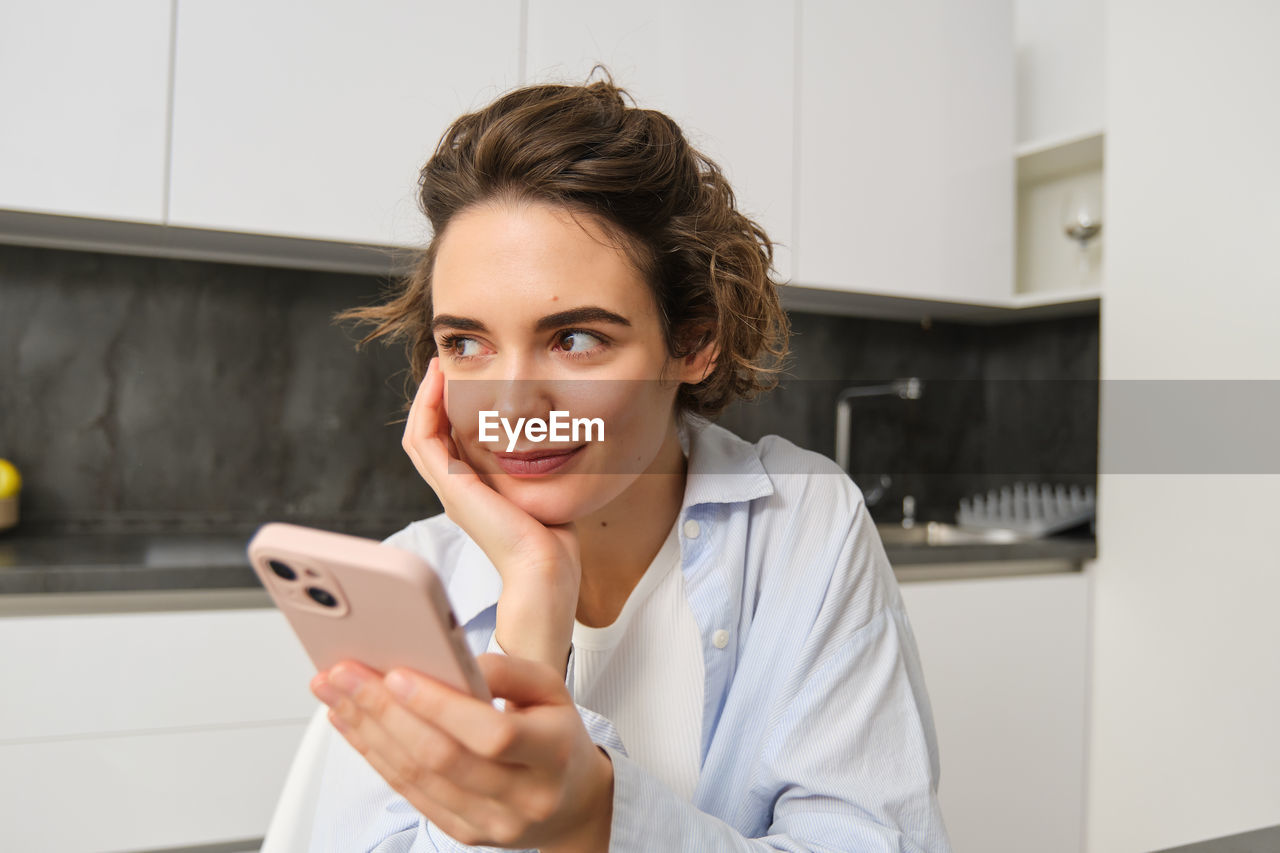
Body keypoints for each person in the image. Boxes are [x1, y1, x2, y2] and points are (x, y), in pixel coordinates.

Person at [306, 74, 952, 852]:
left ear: (694, 341)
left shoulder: (802, 526)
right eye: (466, 343)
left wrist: (598, 818)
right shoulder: (405, 585)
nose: (513, 407)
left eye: (576, 338)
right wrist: (530, 608)